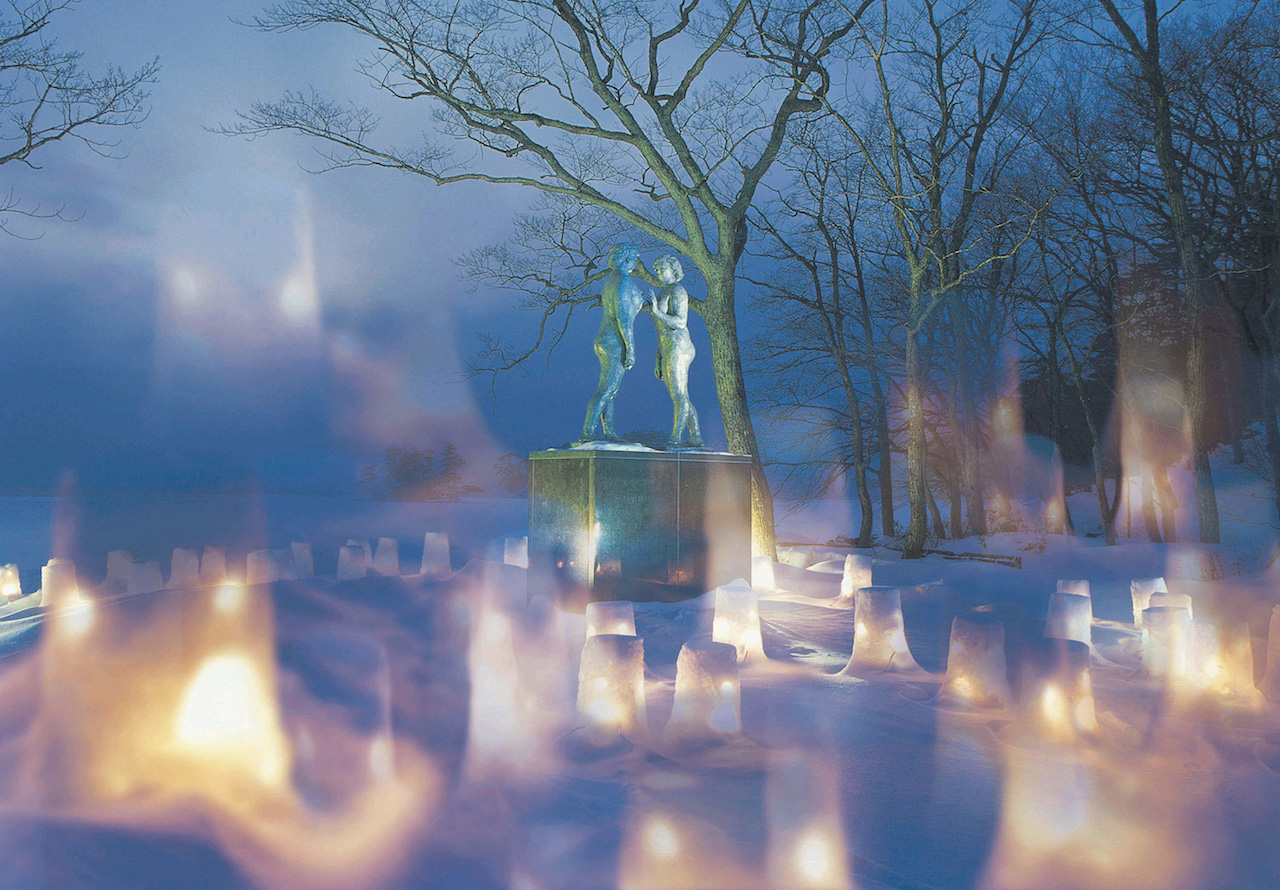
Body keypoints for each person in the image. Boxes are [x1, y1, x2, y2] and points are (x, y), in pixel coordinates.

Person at [581, 243, 645, 440]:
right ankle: (588, 434)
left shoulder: (611, 279)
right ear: (627, 258)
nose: (635, 262)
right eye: (634, 257)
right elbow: (623, 317)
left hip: (605, 338)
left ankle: (610, 432)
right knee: (607, 389)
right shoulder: (623, 280)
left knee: (610, 389)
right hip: (614, 340)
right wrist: (631, 349)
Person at [649, 254, 703, 447]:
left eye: (661, 268)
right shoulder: (664, 292)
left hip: (679, 343)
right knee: (680, 395)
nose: (658, 273)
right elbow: (660, 330)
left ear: (674, 269)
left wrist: (657, 312)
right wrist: (658, 357)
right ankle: (696, 435)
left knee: (679, 395)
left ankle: (676, 438)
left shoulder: (678, 290)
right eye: (656, 270)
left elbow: (680, 322)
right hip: (667, 345)